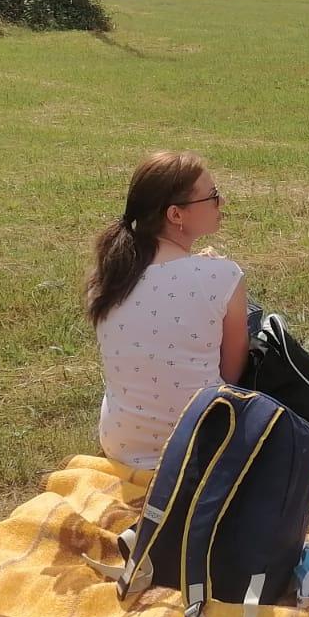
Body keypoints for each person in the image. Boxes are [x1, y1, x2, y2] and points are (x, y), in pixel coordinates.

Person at [87, 152, 250, 470]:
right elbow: (233, 375)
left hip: (122, 445)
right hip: (201, 448)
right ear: (176, 215)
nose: (222, 201)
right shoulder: (222, 276)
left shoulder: (108, 277)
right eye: (213, 195)